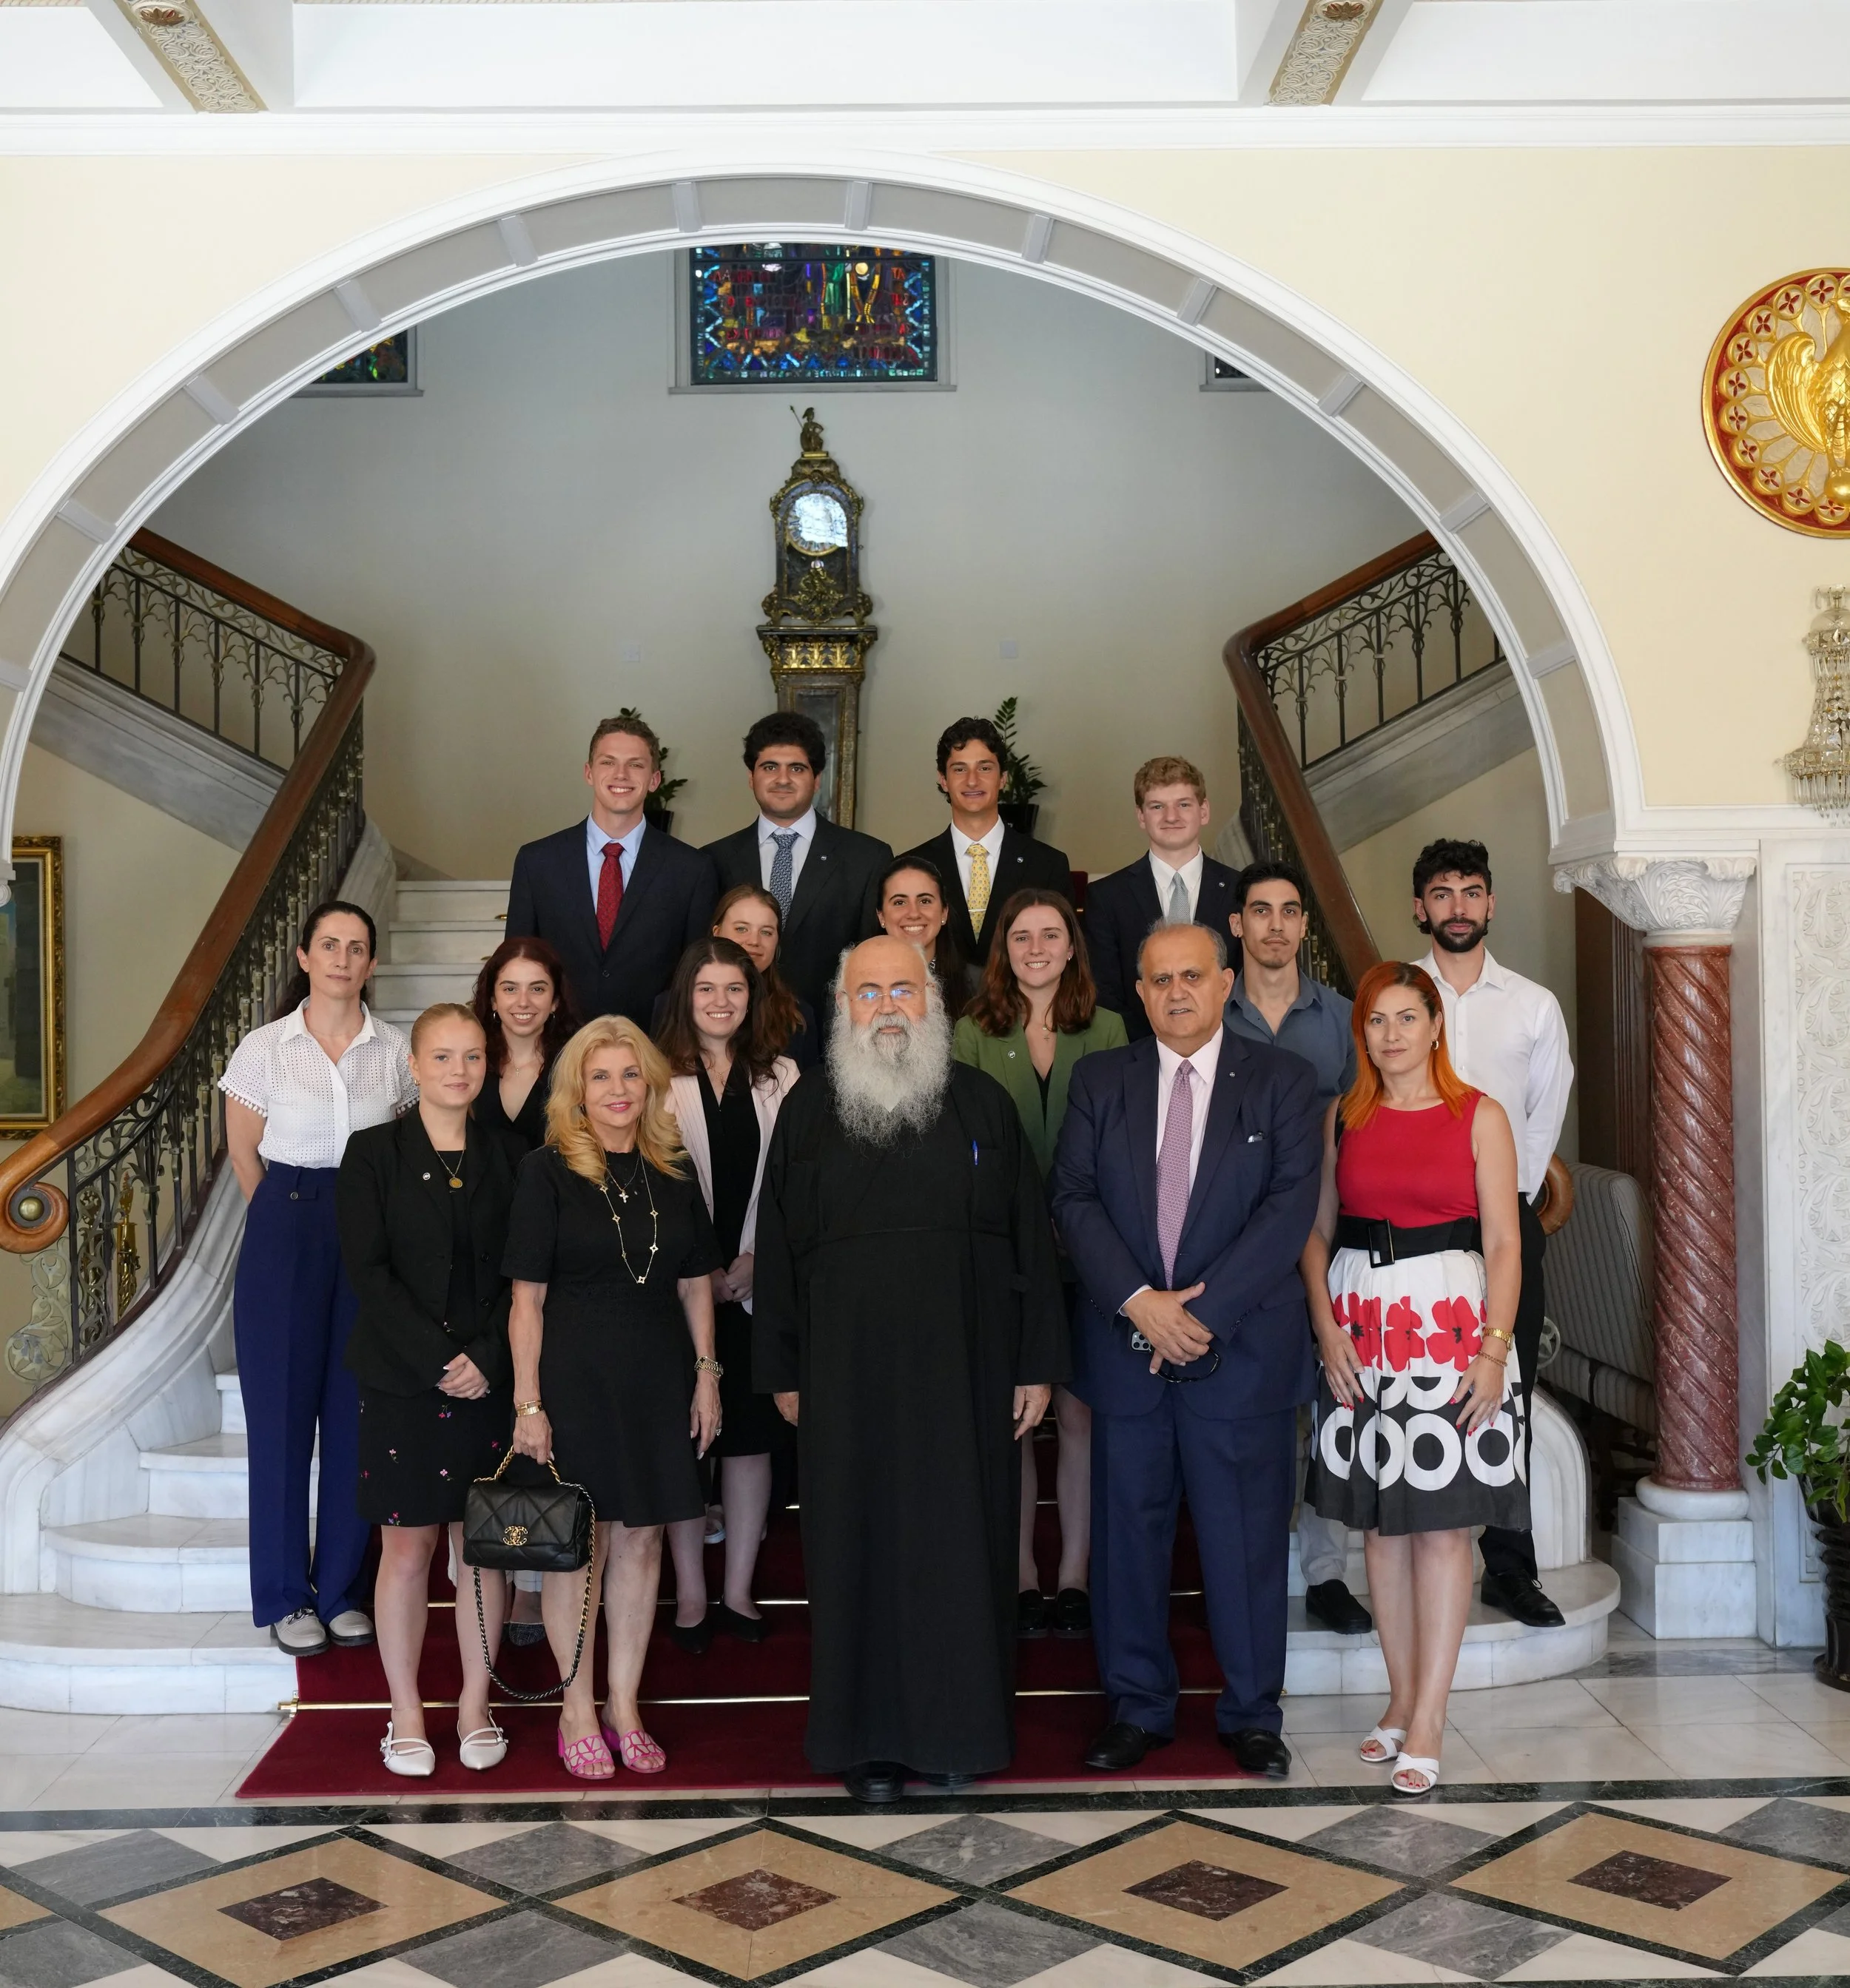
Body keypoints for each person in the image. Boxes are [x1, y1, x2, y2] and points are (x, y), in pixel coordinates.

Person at [753, 934, 1067, 1802]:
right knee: (852, 1545)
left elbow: (1027, 1240)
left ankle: (958, 1729)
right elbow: (777, 1247)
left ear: (932, 1001)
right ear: (842, 1007)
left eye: (902, 988)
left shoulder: (982, 1104)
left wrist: (1035, 1361)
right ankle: (868, 1744)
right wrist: (781, 1364)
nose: (886, 1006)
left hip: (965, 1369)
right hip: (843, 1375)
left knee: (959, 1547)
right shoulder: (810, 1111)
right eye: (867, 992)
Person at [1051, 920, 1321, 1779]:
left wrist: (1198, 1316)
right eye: (1159, 977)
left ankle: (1250, 1713)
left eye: (1192, 976)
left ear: (1226, 980)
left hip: (1239, 1354)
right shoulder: (1101, 1079)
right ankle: (1136, 1706)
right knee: (1127, 1539)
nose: (1175, 991)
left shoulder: (1283, 1079)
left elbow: (1288, 1209)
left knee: (1244, 1542)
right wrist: (1139, 1303)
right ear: (1139, 988)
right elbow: (1073, 1196)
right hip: (1129, 1352)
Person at [1301, 961, 1525, 1796]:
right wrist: (1325, 1323)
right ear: (1359, 1034)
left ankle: (1429, 1714)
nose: (1389, 1034)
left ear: (1436, 1024)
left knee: (1440, 1527)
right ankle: (1398, 1699)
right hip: (1361, 1326)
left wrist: (1494, 1349)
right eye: (1375, 1021)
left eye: (1406, 1017)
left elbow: (1503, 1241)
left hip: (1449, 1323)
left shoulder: (1480, 1115)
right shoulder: (1343, 1116)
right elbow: (1315, 1231)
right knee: (1381, 1528)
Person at [503, 1015, 723, 1779]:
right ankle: (576, 1706)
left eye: (631, 1074)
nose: (618, 1090)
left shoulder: (673, 1168)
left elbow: (697, 1281)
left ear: (650, 1084)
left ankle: (624, 1703)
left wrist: (706, 1371)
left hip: (659, 1371)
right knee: (580, 1545)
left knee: (644, 1539)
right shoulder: (546, 1170)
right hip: (574, 1375)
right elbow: (525, 1299)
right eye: (601, 1076)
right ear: (577, 1089)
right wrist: (528, 1402)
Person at [221, 900, 414, 1658]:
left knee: (356, 1419)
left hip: (369, 1236)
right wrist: (285, 1227)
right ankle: (282, 1594)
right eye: (328, 944)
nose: (341, 957)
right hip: (286, 1226)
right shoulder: (264, 1048)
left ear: (371, 962)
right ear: (304, 955)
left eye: (356, 946)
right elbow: (244, 1156)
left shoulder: (395, 1050)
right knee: (280, 1422)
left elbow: (404, 1148)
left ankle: (338, 1590)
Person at [338, 1003, 518, 1777]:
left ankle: (477, 1702)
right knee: (407, 1546)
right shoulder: (371, 1152)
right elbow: (368, 1271)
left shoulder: (512, 1156)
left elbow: (524, 1271)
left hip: (489, 1376)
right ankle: (406, 1708)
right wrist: (439, 1358)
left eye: (472, 1057)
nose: (458, 1070)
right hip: (403, 1378)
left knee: (482, 1548)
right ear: (413, 1066)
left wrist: (484, 1356)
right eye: (442, 1056)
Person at [954, 890, 1127, 1642]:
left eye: (1049, 934)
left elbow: (1127, 1141)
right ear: (1003, 948)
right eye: (1020, 935)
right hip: (1007, 1255)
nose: (1035, 947)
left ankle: (1076, 1575)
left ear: (1070, 946)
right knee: (1017, 1419)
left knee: (1082, 1414)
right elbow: (964, 1145)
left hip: (1097, 1253)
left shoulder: (1113, 1026)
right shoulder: (969, 1030)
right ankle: (1023, 1576)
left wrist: (1080, 1224)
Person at [1409, 838, 1572, 1629]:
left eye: (1471, 891)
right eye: (1441, 893)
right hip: (1417, 1225)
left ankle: (1509, 1566)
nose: (1458, 906)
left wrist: (1507, 1194)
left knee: (1506, 1390)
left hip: (1502, 1223)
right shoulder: (1400, 997)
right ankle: (1418, 1556)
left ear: (1491, 902)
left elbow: (1544, 1110)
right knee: (1417, 1384)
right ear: (1420, 908)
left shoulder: (1533, 1004)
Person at [1222, 862, 1368, 1640]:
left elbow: (1356, 1133)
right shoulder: (1210, 1009)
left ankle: (1324, 1569)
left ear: (1303, 926)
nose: (1275, 924)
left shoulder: (1344, 1020)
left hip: (1321, 1227)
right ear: (1236, 924)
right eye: (1259, 911)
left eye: (1289, 910)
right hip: (1226, 1236)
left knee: (1327, 1401)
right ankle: (1236, 1557)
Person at [657, 939, 802, 1651]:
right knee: (688, 1440)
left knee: (748, 1441)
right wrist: (701, 1269)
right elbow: (652, 1189)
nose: (721, 1001)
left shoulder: (783, 1076)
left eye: (735, 989)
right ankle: (689, 1591)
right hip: (677, 1290)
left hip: (756, 1288)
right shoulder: (656, 1079)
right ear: (687, 995)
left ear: (754, 997)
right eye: (707, 988)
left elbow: (795, 1188)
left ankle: (738, 1588)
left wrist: (755, 1262)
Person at [469, 935, 577, 1646]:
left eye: (537, 988)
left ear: (557, 998)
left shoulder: (574, 1071)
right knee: (484, 1428)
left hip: (552, 1267)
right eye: (511, 987)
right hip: (474, 1262)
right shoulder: (466, 1063)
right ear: (492, 994)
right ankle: (484, 1575)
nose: (523, 1002)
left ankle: (535, 1582)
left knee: (542, 1424)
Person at [505, 714, 718, 1028]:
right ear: (589, 773)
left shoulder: (691, 869)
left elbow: (697, 974)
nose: (621, 774)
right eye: (608, 762)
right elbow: (516, 964)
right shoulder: (537, 861)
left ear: (654, 779)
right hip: (557, 1046)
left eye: (635, 764)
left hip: (654, 1049)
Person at [703, 712, 892, 1019]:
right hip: (732, 1032)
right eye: (769, 767)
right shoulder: (712, 860)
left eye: (797, 768)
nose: (782, 779)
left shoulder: (867, 858)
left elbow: (872, 959)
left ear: (817, 780)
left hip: (830, 1037)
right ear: (751, 777)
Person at [1085, 756, 1243, 1040]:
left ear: (1203, 811)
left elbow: (1245, 982)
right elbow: (1105, 994)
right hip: (1140, 1054)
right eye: (1157, 807)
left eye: (1183, 804)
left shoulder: (1240, 890)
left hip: (1227, 1053)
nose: (1171, 817)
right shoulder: (1106, 897)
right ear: (1141, 816)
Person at [899, 716, 1070, 968]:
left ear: (1003, 778)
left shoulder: (1048, 864)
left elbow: (1064, 954)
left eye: (985, 768)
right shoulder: (911, 867)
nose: (972, 780)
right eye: (959, 769)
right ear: (943, 780)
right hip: (937, 1005)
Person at [682, 884, 821, 1071]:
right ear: (717, 932)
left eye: (766, 932)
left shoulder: (797, 1016)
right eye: (741, 929)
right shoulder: (673, 1005)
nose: (754, 941)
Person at [875, 857, 978, 1020]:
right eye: (900, 902)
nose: (914, 913)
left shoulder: (978, 985)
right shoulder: (854, 983)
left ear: (944, 912)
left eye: (925, 901)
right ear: (881, 916)